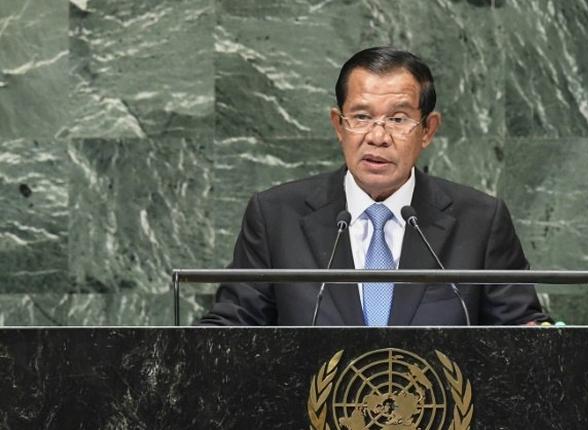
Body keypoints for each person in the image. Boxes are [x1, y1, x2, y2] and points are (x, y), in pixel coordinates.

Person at [199, 47, 549, 326]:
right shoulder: (276, 217)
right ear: (339, 125)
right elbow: (233, 326)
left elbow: (522, 328)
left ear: (427, 130)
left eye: (398, 119)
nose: (377, 137)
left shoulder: (480, 221)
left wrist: (538, 335)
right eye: (362, 117)